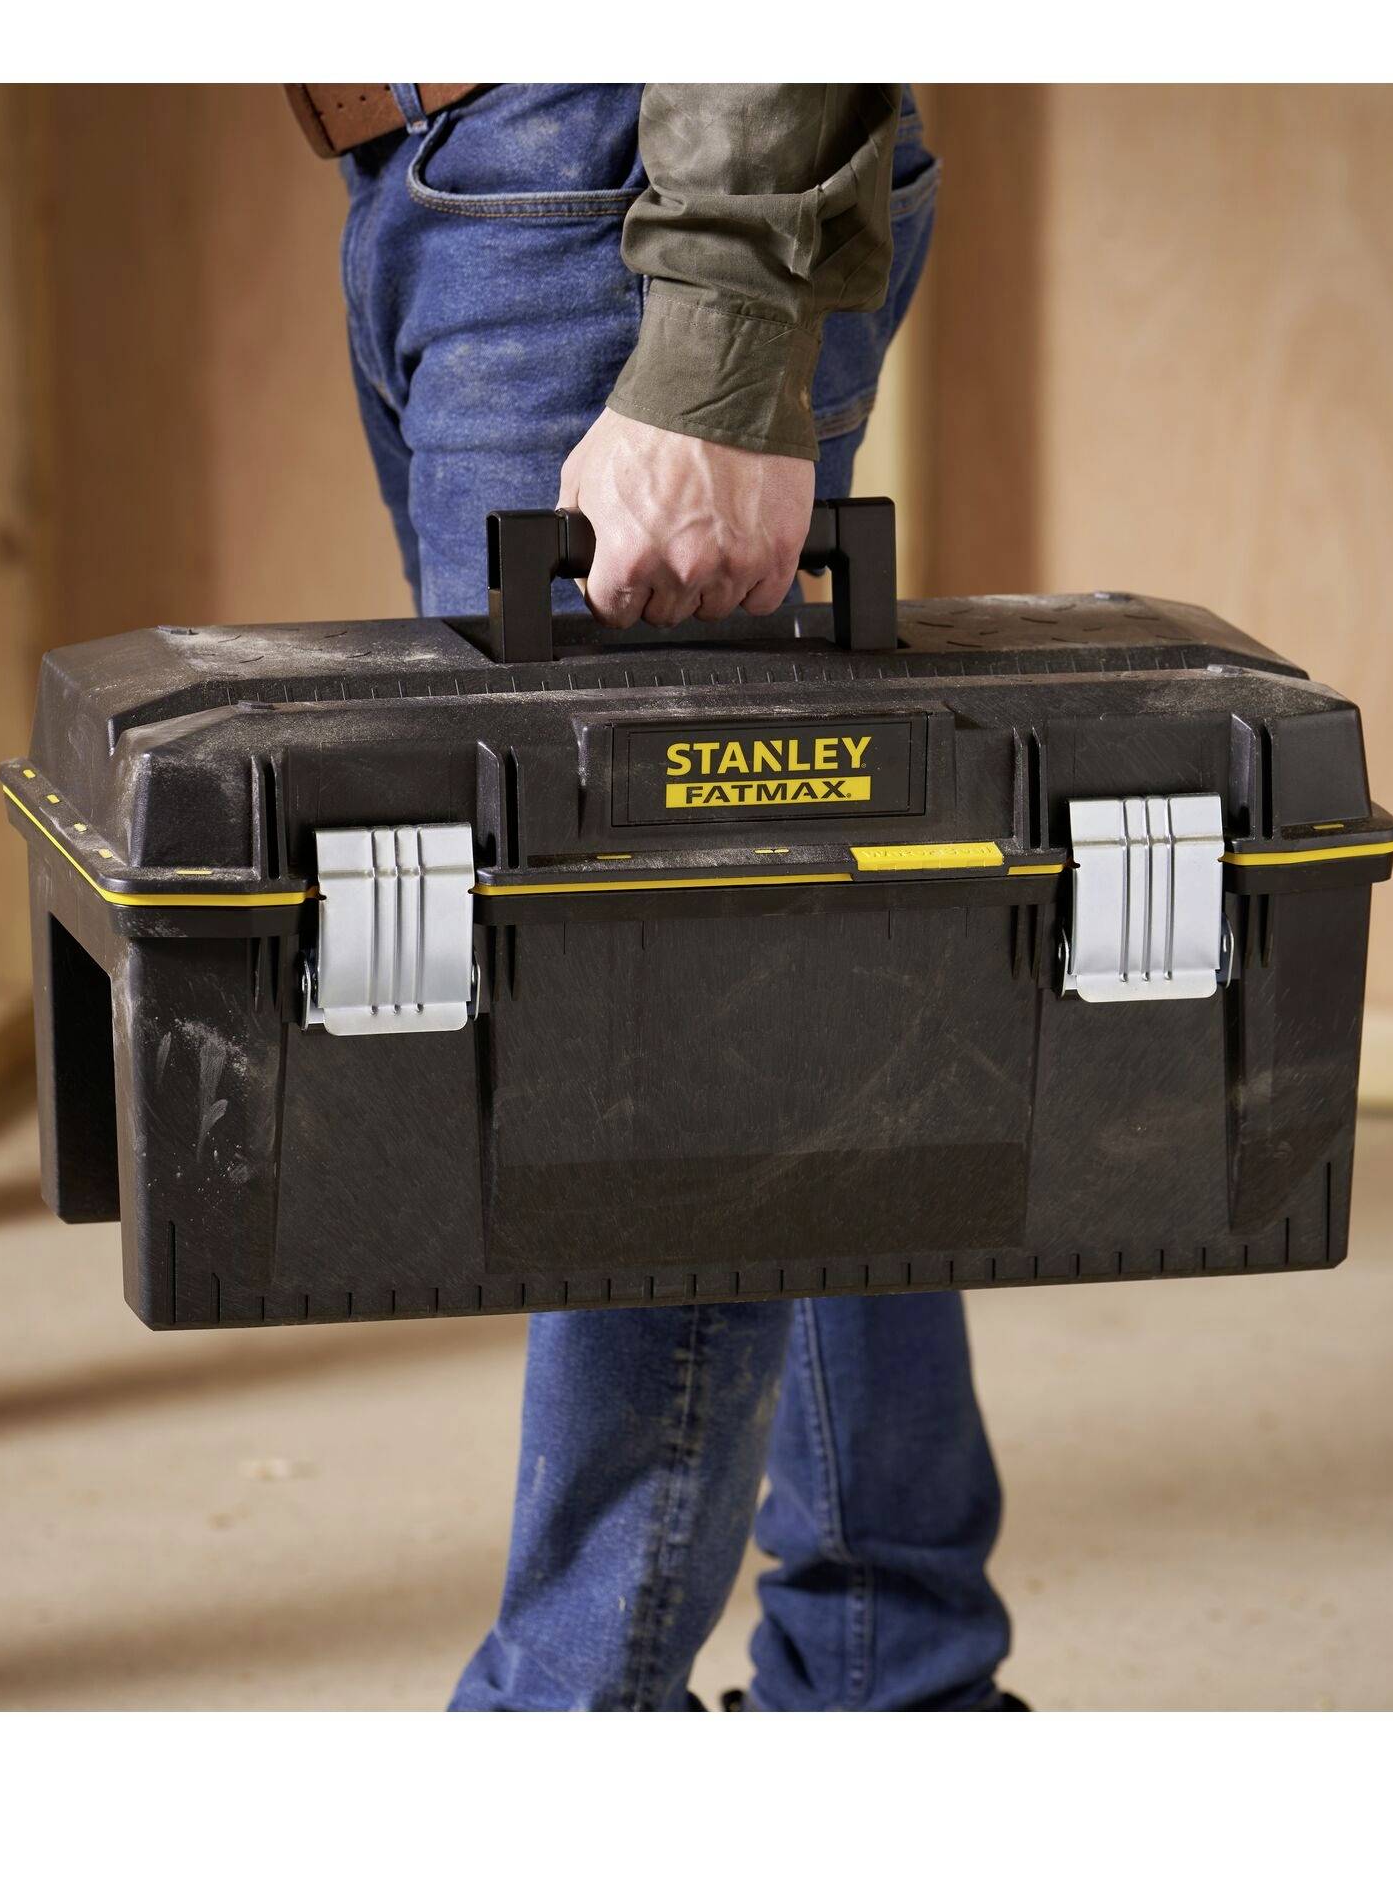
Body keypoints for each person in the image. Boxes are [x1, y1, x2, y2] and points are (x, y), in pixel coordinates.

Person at [321, 83, 1015, 1710]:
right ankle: (892, 1679)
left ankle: (577, 1723)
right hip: (462, 176)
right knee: (783, 964)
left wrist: (714, 330)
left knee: (648, 1023)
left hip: (608, 179)